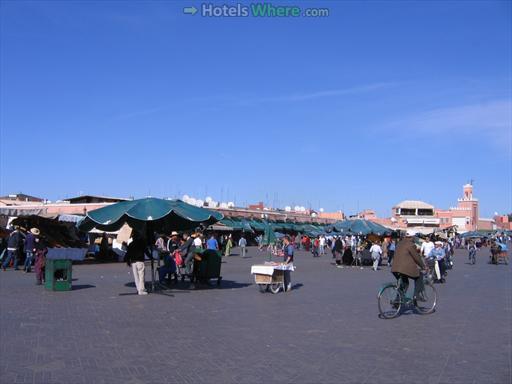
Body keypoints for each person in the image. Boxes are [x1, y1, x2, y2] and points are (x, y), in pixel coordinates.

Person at [391, 230, 427, 303]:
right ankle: (416, 295)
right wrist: (423, 266)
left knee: (404, 283)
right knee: (419, 276)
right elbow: (416, 257)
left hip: (395, 268)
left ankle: (398, 300)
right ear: (412, 237)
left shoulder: (400, 243)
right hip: (404, 268)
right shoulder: (411, 244)